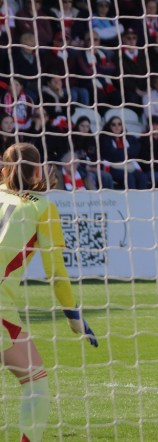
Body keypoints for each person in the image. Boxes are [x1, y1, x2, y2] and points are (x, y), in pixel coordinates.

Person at [0, 143, 98, 442]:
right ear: (37, 171)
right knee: (36, 383)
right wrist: (73, 317)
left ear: (3, 170)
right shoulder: (42, 207)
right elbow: (56, 274)